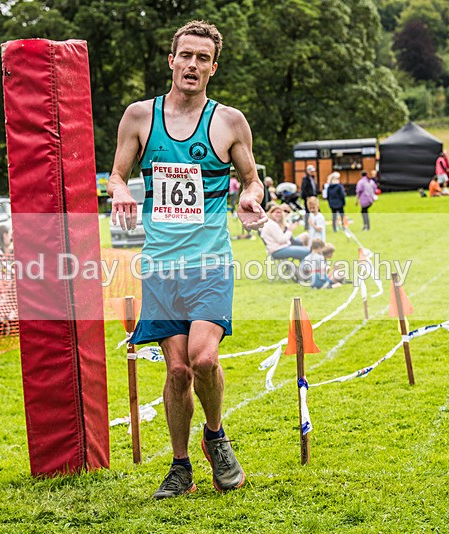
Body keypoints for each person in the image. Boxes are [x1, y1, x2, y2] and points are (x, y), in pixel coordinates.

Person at [106, 20, 266, 499]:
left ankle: (215, 436)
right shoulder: (139, 117)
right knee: (176, 371)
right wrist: (118, 193)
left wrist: (250, 199)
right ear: (171, 60)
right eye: (186, 56)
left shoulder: (229, 122)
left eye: (202, 58)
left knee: (204, 357)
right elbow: (116, 174)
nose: (192, 64)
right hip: (160, 266)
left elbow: (253, 179)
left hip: (210, 263)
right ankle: (180, 468)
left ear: (213, 68)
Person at [300, 164, 318, 230]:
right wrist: (307, 196)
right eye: (311, 171)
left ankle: (315, 224)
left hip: (314, 196)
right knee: (307, 211)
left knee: (315, 210)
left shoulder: (313, 178)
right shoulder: (305, 179)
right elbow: (304, 188)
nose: (312, 172)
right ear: (307, 171)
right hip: (308, 197)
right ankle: (307, 226)